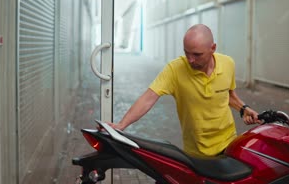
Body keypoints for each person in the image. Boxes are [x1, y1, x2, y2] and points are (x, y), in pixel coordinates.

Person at [110, 24, 259, 157]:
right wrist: (122, 124)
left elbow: (228, 94)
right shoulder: (175, 70)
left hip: (229, 143)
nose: (190, 60)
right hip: (196, 152)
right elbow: (149, 97)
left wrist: (244, 108)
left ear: (212, 48)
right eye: (186, 53)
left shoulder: (228, 64)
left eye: (197, 54)